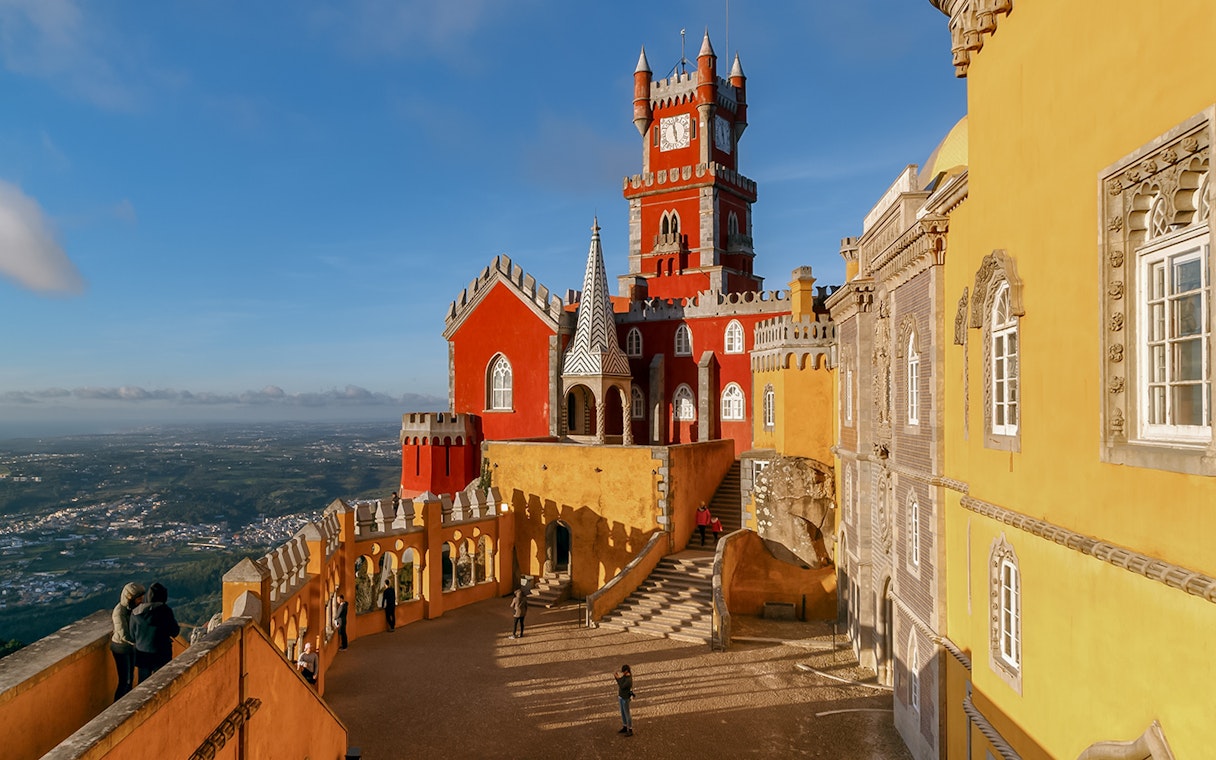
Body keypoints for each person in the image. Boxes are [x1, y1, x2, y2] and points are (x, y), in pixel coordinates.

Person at [129, 582, 181, 682]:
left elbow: (132, 636)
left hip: (142, 655)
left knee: (143, 685)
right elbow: (175, 631)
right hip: (162, 654)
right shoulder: (165, 611)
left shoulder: (135, 613)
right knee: (162, 682)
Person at [110, 582, 145, 701]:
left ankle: (127, 702)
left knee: (130, 678)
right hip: (121, 648)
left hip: (131, 647)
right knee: (125, 680)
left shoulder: (133, 609)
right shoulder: (119, 612)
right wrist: (139, 640)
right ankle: (117, 706)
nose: (141, 600)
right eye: (138, 598)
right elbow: (124, 634)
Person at [614, 664, 634, 736]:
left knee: (627, 714)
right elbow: (621, 681)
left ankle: (630, 729)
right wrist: (617, 678)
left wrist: (617, 678)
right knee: (623, 713)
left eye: (623, 671)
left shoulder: (628, 680)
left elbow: (622, 685)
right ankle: (625, 726)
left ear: (626, 671)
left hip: (625, 698)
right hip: (621, 697)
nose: (623, 673)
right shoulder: (625, 676)